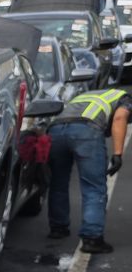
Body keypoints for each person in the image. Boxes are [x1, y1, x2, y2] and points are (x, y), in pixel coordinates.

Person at [45, 87, 126, 254]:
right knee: (94, 186)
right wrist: (118, 154)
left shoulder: (88, 95)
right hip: (85, 130)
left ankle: (58, 228)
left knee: (58, 182)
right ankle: (92, 238)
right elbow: (119, 118)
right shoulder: (125, 99)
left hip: (56, 130)